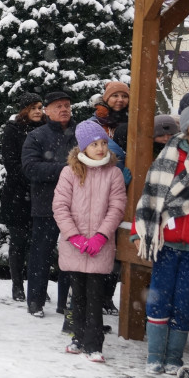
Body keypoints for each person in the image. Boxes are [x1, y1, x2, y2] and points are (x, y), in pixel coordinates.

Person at [135, 104, 189, 375]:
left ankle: (174, 356)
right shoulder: (168, 156)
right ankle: (155, 355)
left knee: (185, 302)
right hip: (166, 242)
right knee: (159, 298)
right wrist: (140, 230)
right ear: (186, 125)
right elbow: (151, 195)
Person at [52, 119, 126, 363]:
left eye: (104, 143)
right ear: (83, 147)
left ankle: (94, 344)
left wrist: (101, 236)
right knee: (78, 295)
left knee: (95, 296)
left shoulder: (113, 173)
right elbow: (60, 206)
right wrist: (73, 236)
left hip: (99, 246)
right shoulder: (70, 172)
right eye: (95, 144)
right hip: (75, 245)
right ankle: (78, 337)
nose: (101, 148)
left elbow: (117, 207)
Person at [21, 91, 76, 318]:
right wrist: (65, 169)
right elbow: (30, 168)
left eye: (66, 105)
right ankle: (35, 300)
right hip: (46, 204)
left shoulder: (81, 133)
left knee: (72, 255)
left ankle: (66, 303)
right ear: (47, 111)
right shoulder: (37, 136)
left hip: (77, 206)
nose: (63, 109)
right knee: (41, 254)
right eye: (57, 106)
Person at [0, 93, 44, 302]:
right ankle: (17, 284)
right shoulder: (13, 130)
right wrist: (32, 177)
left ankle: (37, 285)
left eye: (40, 107)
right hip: (18, 193)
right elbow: (11, 162)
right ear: (24, 109)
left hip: (42, 194)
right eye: (33, 107)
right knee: (18, 241)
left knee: (40, 242)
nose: (38, 111)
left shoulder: (48, 128)